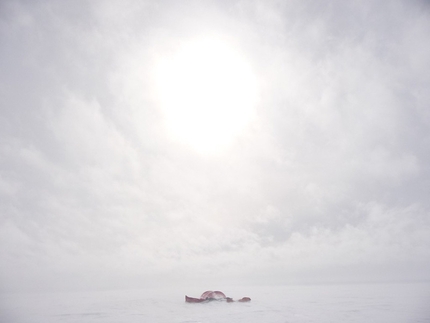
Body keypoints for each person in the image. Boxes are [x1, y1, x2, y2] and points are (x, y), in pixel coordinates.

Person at [185, 291, 251, 303]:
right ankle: (191, 300)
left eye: (246, 298)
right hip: (222, 300)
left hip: (222, 301)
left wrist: (229, 300)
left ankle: (191, 300)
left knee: (209, 300)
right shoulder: (239, 301)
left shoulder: (239, 302)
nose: (244, 298)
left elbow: (231, 302)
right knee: (210, 300)